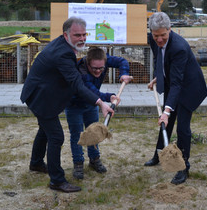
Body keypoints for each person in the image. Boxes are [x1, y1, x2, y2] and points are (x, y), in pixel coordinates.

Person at [20, 17, 114, 193]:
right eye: (77, 35)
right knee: (56, 137)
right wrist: (100, 102)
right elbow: (77, 84)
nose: (82, 39)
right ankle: (57, 181)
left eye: (84, 35)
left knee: (44, 131)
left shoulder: (63, 46)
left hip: (38, 94)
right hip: (41, 99)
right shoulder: (64, 53)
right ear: (66, 34)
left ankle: (36, 163)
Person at [145, 12, 207, 185]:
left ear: (170, 30)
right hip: (174, 82)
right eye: (156, 35)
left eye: (163, 35)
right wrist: (160, 75)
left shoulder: (179, 47)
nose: (159, 40)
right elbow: (160, 59)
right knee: (165, 122)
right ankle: (159, 155)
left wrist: (166, 110)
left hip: (189, 88)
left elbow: (178, 82)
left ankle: (183, 167)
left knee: (182, 128)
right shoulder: (153, 39)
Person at [65, 47, 132, 180]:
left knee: (94, 132)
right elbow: (93, 92)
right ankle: (78, 163)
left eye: (101, 68)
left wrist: (123, 73)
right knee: (77, 135)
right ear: (88, 63)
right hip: (74, 105)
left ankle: (94, 159)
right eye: (94, 68)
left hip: (92, 105)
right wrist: (110, 96)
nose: (98, 71)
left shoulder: (104, 60)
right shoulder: (81, 72)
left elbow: (123, 61)